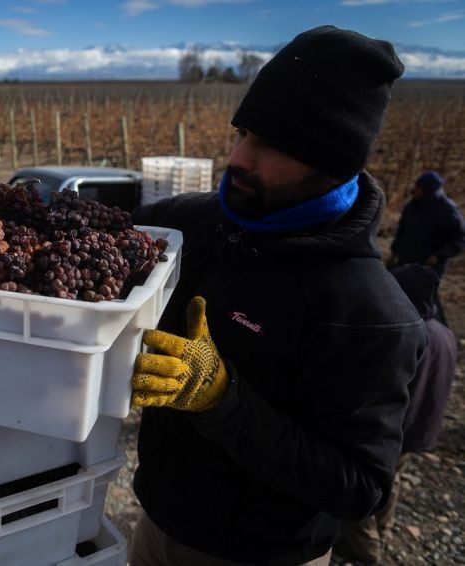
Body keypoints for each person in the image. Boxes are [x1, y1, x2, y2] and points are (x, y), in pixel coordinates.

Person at [127, 25, 427, 565]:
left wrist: (222, 399)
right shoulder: (193, 224)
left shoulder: (371, 313)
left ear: (330, 164)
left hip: (261, 556)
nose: (239, 157)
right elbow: (101, 237)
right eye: (242, 133)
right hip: (154, 527)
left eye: (269, 144)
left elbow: (360, 486)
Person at [335, 264, 457, 565]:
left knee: (360, 486)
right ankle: (384, 531)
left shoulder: (407, 331)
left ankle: (368, 550)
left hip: (399, 429)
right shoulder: (444, 333)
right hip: (423, 428)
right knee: (392, 482)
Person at [389, 171, 465, 323]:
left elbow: (460, 239)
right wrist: (394, 252)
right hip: (405, 260)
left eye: (418, 187)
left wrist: (439, 256)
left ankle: (439, 335)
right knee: (398, 294)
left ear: (428, 189)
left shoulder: (447, 210)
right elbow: (402, 231)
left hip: (429, 266)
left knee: (427, 301)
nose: (413, 190)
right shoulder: (412, 206)